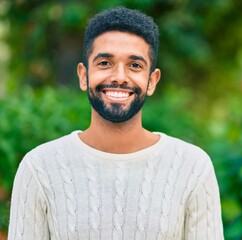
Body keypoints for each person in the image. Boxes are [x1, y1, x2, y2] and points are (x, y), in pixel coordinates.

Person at [8, 6, 223, 240]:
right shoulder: (39, 168)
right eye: (104, 63)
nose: (119, 77)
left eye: (135, 65)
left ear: (151, 81)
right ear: (83, 75)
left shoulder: (192, 168)